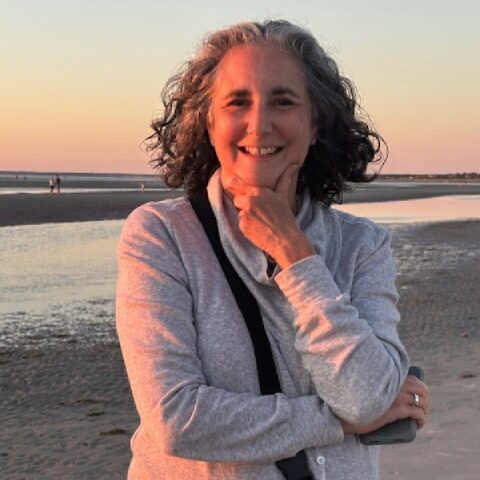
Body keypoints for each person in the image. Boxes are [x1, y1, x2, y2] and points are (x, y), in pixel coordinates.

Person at [116, 20, 429, 480]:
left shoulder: (362, 245)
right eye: (237, 102)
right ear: (208, 121)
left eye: (283, 101)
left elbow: (366, 397)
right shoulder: (161, 235)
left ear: (315, 122)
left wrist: (296, 255)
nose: (259, 124)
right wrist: (336, 421)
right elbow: (177, 419)